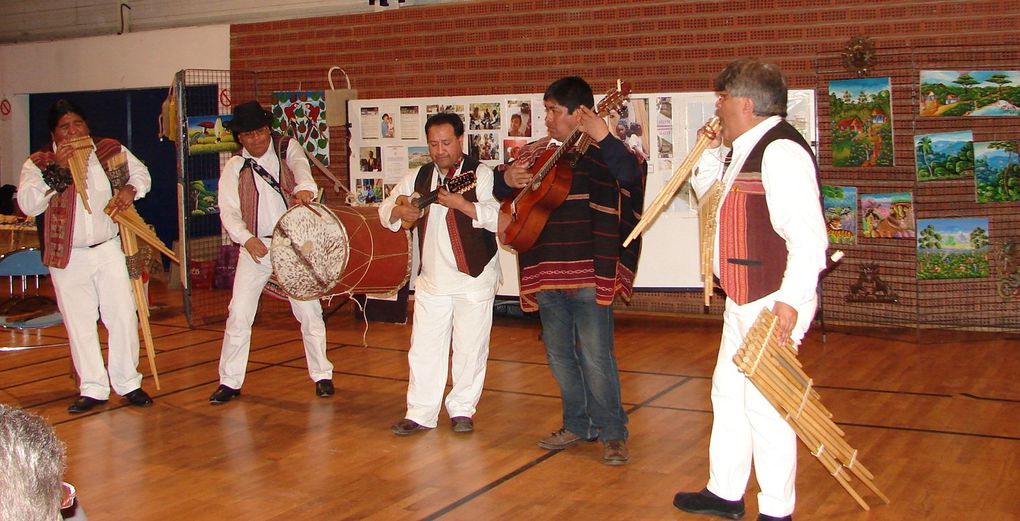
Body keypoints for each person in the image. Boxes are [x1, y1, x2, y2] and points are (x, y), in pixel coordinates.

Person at [672, 58, 827, 521]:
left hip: (770, 300)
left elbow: (809, 239)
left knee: (766, 405)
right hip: (742, 298)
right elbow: (711, 199)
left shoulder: (781, 152)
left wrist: (789, 303)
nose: (716, 107)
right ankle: (725, 491)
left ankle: (778, 510)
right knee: (728, 394)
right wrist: (706, 151)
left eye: (721, 98)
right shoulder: (745, 146)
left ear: (744, 103)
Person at [493, 76, 645, 465]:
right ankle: (578, 424)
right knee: (559, 356)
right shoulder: (535, 152)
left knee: (597, 357)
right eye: (545, 110)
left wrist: (605, 136)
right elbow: (498, 184)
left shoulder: (603, 152)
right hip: (546, 274)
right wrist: (507, 179)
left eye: (553, 111)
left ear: (579, 114)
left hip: (589, 273)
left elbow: (631, 176)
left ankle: (613, 432)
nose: (546, 118)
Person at [18, 99, 154, 414]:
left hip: (108, 248)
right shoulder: (38, 164)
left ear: (87, 125)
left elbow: (142, 174)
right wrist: (58, 171)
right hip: (68, 255)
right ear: (54, 134)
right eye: (65, 127)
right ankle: (92, 387)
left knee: (122, 315)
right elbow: (28, 205)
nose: (73, 131)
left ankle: (128, 383)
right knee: (80, 323)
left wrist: (131, 190)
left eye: (77, 124)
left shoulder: (107, 150)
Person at [379, 112, 500, 435]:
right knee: (424, 348)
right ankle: (420, 412)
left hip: (473, 278)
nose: (440, 150)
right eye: (433, 144)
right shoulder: (418, 177)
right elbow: (385, 211)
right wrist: (398, 211)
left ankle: (462, 409)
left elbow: (495, 216)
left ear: (461, 140)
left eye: (446, 143)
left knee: (470, 349)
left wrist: (462, 204)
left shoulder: (481, 174)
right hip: (431, 280)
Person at [209, 100, 335, 405]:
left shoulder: (286, 148)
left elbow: (301, 168)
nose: (256, 138)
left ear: (268, 129)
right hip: (256, 247)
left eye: (261, 131)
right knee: (239, 313)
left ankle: (322, 376)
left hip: (293, 246)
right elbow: (228, 211)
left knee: (309, 312)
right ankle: (229, 381)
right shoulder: (234, 167)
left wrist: (305, 187)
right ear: (239, 137)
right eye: (249, 134)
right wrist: (245, 239)